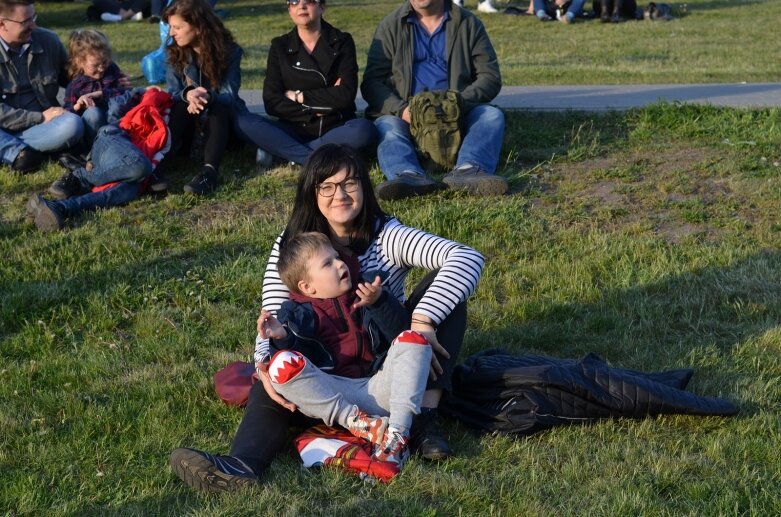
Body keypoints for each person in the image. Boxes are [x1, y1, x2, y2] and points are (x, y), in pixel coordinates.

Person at [169, 143, 485, 493]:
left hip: (384, 369)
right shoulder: (292, 245)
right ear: (312, 193)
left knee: (448, 299)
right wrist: (263, 362)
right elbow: (273, 312)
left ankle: (423, 419)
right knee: (274, 371)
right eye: (327, 186)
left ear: (364, 187)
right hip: (321, 380)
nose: (341, 195)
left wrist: (423, 321)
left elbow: (466, 257)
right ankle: (242, 466)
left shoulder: (387, 235)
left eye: (350, 183)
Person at [256, 231, 432, 471]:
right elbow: (302, 362)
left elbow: (400, 334)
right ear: (308, 286)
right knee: (280, 364)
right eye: (327, 263)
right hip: (331, 395)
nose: (339, 264)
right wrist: (283, 338)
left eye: (336, 257)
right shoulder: (298, 315)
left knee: (415, 340)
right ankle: (360, 424)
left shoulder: (368, 288)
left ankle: (397, 435)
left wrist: (379, 302)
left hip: (377, 387)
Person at [361, 0, 508, 201]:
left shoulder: (467, 23)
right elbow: (372, 82)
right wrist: (402, 110)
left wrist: (457, 104)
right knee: (387, 126)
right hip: (407, 117)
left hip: (457, 114)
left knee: (491, 116)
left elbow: (490, 77)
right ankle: (407, 175)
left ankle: (469, 169)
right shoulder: (391, 25)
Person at [235, 0, 376, 168]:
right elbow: (271, 101)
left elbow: (345, 95)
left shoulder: (342, 41)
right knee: (241, 120)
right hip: (293, 128)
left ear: (322, 6)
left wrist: (298, 96)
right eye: (294, 2)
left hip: (336, 128)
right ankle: (315, 158)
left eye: (308, 1)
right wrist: (317, 109)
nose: (301, 6)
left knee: (364, 130)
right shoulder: (279, 46)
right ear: (289, 10)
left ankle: (287, 154)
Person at [29, 87, 172, 231]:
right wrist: (145, 90)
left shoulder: (173, 116)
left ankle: (61, 207)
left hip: (125, 162)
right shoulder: (152, 98)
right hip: (113, 137)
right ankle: (81, 176)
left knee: (130, 189)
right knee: (141, 167)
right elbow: (125, 96)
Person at [162, 0, 246, 194]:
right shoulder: (175, 52)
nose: (172, 33)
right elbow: (172, 93)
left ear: (198, 27)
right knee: (181, 104)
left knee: (220, 106)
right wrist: (188, 94)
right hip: (190, 124)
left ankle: (209, 174)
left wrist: (207, 96)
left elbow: (229, 95)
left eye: (177, 27)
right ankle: (157, 167)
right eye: (171, 27)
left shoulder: (230, 52)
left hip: (222, 125)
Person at [0, 0, 84, 174]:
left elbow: (73, 79)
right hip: (10, 127)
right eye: (26, 22)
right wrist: (38, 117)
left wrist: (107, 79)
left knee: (75, 122)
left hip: (46, 128)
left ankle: (22, 153)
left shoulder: (48, 40)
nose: (33, 25)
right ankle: (20, 151)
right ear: (2, 24)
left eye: (34, 17)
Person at [63, 29, 130, 143]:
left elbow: (124, 93)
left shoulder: (112, 70)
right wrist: (77, 107)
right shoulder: (76, 85)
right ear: (79, 62)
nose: (101, 68)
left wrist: (102, 94)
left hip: (115, 120)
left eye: (104, 62)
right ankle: (97, 147)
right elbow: (67, 112)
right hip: (94, 130)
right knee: (93, 113)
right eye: (95, 65)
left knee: (117, 105)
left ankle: (122, 141)